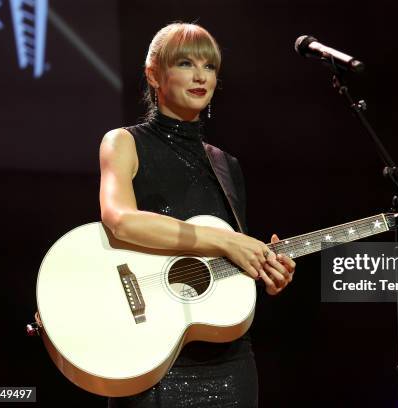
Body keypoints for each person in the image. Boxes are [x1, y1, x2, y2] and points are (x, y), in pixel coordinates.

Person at [100, 22, 296, 407]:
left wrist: (266, 270)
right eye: (186, 63)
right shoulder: (123, 142)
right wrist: (227, 240)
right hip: (151, 356)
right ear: (153, 74)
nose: (200, 76)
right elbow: (119, 219)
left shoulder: (226, 165)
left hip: (230, 363)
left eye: (209, 67)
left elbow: (223, 264)